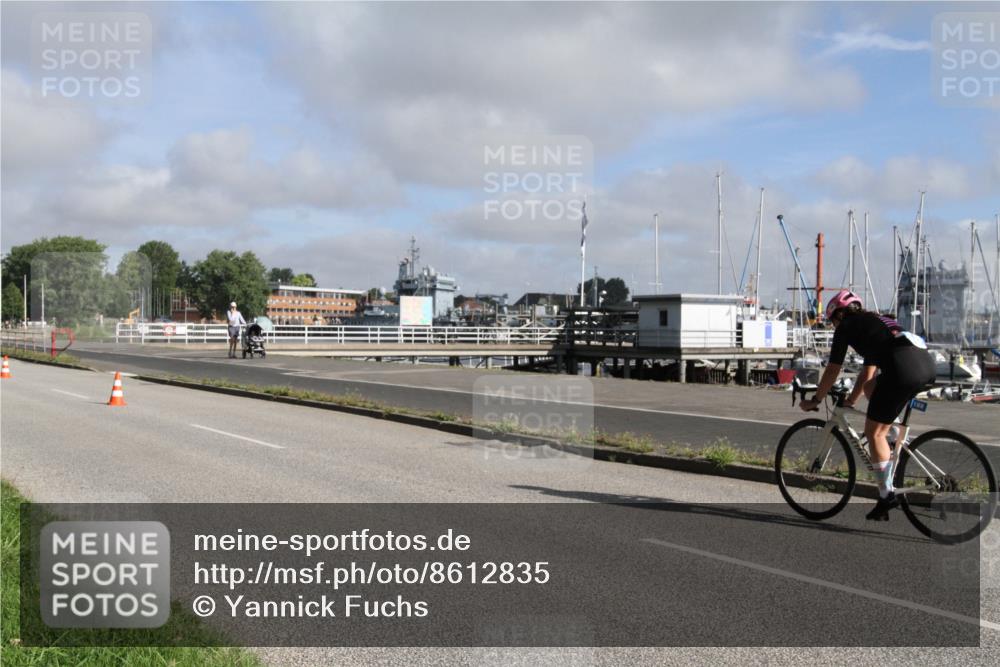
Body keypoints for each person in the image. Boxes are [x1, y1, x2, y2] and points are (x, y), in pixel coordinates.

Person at [799, 290, 936, 521]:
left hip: (902, 369)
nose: (833, 326)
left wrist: (816, 400)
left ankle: (886, 495)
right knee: (872, 387)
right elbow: (867, 375)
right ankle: (893, 437)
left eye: (832, 321)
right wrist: (851, 401)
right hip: (926, 366)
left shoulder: (846, 327)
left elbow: (833, 369)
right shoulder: (874, 322)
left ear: (839, 314)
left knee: (874, 433)